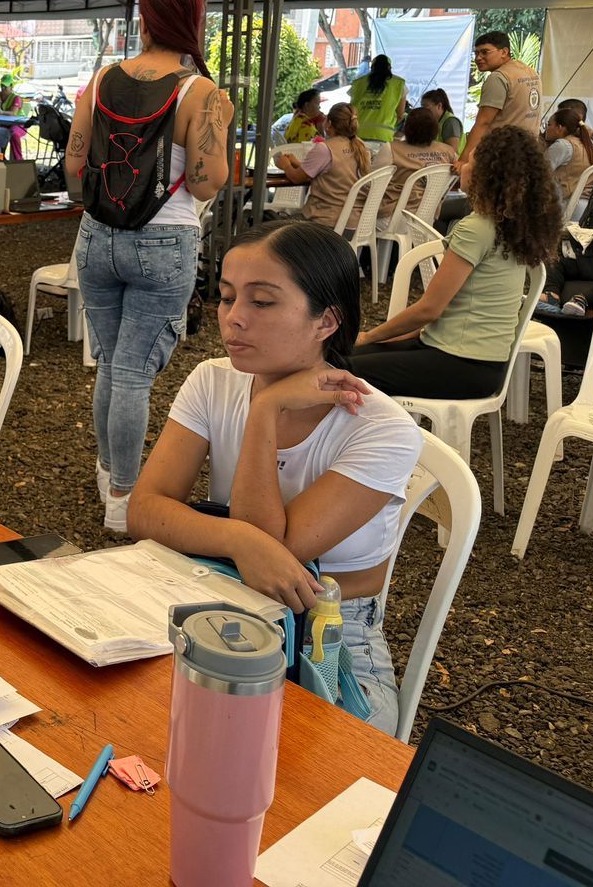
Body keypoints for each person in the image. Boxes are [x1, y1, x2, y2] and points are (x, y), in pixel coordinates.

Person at [127, 221, 423, 735]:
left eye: (261, 302)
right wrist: (236, 539)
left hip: (330, 635)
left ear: (326, 321)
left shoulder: (382, 430)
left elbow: (275, 550)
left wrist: (264, 409)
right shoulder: (212, 381)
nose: (233, 319)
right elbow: (145, 509)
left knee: (305, 774)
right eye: (224, 297)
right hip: (216, 598)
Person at [65, 0, 231, 531]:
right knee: (133, 371)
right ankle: (122, 498)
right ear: (195, 18)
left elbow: (73, 169)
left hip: (96, 236)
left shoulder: (103, 78)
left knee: (112, 363)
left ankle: (107, 472)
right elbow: (209, 183)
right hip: (165, 238)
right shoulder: (201, 92)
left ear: (144, 16)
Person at [349, 126, 561, 399]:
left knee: (340, 367)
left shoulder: (476, 228)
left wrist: (369, 336)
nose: (461, 166)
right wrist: (374, 340)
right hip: (481, 365)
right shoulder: (511, 227)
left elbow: (429, 310)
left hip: (458, 363)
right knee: (347, 356)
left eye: (470, 161)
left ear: (488, 175)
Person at [275, 102, 370, 230]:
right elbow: (333, 171)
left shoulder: (325, 148)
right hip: (354, 224)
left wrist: (286, 165)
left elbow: (296, 178)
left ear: (329, 123)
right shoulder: (360, 146)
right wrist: (297, 163)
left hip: (324, 223)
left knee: (273, 226)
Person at [461, 29, 541, 165]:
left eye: (485, 52)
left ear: (504, 52)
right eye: (477, 53)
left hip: (502, 156)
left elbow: (483, 122)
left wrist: (463, 161)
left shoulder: (498, 78)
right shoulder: (529, 71)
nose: (478, 58)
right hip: (528, 152)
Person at [370, 105, 456, 221]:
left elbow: (371, 181)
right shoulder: (448, 152)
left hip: (393, 217)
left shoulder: (392, 149)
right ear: (435, 128)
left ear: (407, 127)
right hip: (428, 217)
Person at [542, 105, 593, 212]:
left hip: (567, 206)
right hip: (591, 205)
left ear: (559, 128)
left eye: (548, 125)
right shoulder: (591, 144)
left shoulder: (563, 145)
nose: (546, 129)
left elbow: (539, 173)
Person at [350, 55, 407, 143]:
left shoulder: (358, 83)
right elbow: (400, 115)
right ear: (389, 67)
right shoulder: (399, 84)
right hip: (384, 135)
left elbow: (351, 110)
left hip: (358, 134)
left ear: (372, 67)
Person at [0, 74, 31, 160]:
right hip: (3, 124)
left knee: (14, 134)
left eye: (6, 86)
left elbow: (13, 112)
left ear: (11, 86)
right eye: (2, 85)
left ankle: (18, 160)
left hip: (19, 125)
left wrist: (1, 112)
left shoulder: (16, 98)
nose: (3, 88)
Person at [420, 88, 464, 152]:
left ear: (439, 106)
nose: (423, 110)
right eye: (422, 107)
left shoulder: (450, 122)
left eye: (426, 107)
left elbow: (452, 151)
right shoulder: (433, 120)